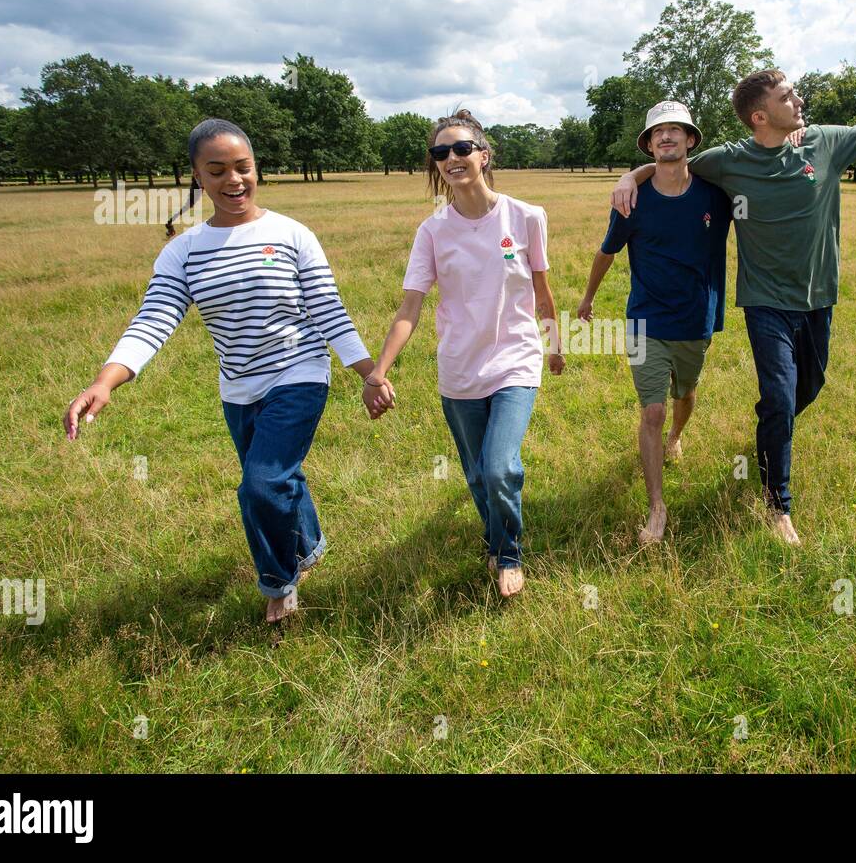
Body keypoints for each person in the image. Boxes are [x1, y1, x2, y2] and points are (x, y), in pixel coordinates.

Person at [613, 68, 856, 545]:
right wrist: (632, 174)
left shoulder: (823, 143)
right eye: (787, 95)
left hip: (819, 299)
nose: (798, 100)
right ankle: (778, 505)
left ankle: (770, 432)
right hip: (764, 302)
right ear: (761, 116)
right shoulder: (730, 161)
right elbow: (674, 163)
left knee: (807, 388)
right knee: (779, 397)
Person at [63, 118, 379, 623]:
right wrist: (106, 381)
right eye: (217, 171)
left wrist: (368, 371)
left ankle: (279, 582)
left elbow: (327, 308)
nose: (233, 180)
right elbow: (155, 318)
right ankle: (310, 543)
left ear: (257, 170)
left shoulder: (292, 234)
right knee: (278, 478)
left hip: (299, 372)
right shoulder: (183, 251)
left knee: (260, 484)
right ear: (197, 177)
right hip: (238, 387)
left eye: (242, 168)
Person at [365, 109, 565, 598]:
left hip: (516, 359)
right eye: (440, 153)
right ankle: (494, 540)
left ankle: (510, 552)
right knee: (477, 473)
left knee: (500, 467)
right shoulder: (433, 231)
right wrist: (378, 371)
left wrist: (554, 344)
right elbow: (410, 305)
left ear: (483, 154)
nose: (451, 158)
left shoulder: (526, 216)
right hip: (459, 369)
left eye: (460, 149)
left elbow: (542, 290)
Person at [578, 101, 731, 543]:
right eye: (658, 132)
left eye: (675, 130)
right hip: (645, 319)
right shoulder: (632, 200)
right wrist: (587, 299)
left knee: (684, 393)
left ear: (690, 140)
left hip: (696, 318)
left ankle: (678, 436)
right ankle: (656, 508)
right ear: (648, 144)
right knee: (653, 408)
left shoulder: (715, 194)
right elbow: (606, 252)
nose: (666, 137)